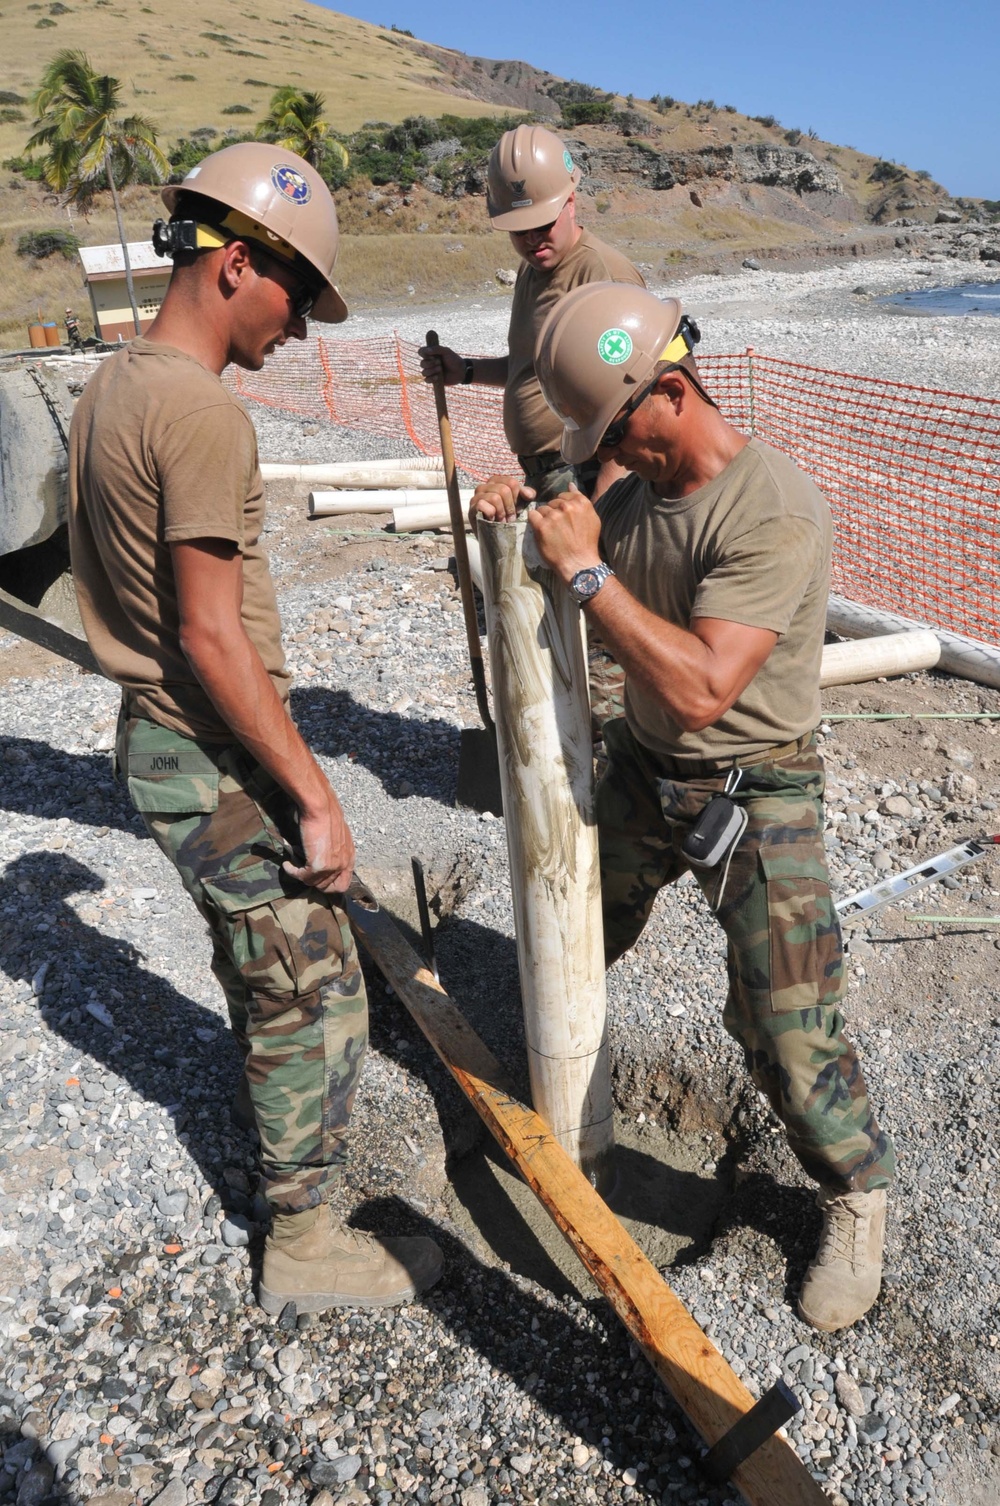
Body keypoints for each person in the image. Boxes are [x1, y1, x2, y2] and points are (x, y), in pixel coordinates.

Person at [469, 282, 895, 1333]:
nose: (610, 456)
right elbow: (567, 549)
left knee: (787, 1027)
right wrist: (519, 518)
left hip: (756, 787)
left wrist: (582, 580)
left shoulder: (771, 508)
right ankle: (549, 1071)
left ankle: (853, 1197)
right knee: (572, 927)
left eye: (616, 431)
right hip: (644, 772)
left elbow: (705, 685)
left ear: (670, 390)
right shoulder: (632, 498)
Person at [67, 142, 442, 1317]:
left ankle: (283, 1167)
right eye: (295, 298)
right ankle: (301, 1237)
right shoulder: (201, 415)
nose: (301, 328)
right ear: (235, 265)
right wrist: (316, 797)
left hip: (158, 735)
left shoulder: (112, 386)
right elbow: (213, 636)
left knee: (266, 966)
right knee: (311, 987)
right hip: (206, 746)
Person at [418, 123, 646, 506]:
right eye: (518, 230)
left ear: (571, 201)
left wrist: (601, 509)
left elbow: (638, 401)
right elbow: (530, 366)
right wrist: (467, 370)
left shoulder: (603, 275)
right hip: (546, 474)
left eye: (542, 224)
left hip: (587, 476)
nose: (531, 240)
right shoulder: (532, 268)